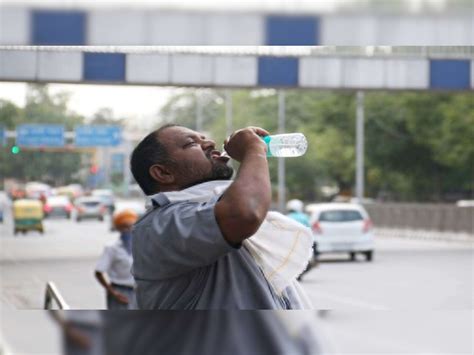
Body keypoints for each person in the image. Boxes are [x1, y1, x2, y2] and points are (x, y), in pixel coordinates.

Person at [130, 124, 313, 310]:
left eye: (204, 138)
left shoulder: (215, 206)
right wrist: (254, 150)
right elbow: (245, 213)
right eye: (191, 143)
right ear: (163, 173)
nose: (210, 143)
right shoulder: (159, 226)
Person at [94, 209, 138, 309]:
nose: (128, 230)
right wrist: (112, 292)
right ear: (119, 228)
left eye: (131, 226)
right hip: (120, 291)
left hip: (139, 292)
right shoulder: (112, 248)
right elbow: (98, 272)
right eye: (125, 227)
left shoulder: (141, 246)